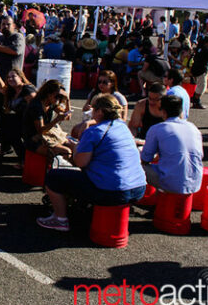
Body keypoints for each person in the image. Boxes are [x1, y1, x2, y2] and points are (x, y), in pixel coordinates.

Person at [37, 94, 146, 232]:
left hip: (113, 192)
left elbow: (80, 162)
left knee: (53, 177)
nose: (92, 112)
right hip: (139, 188)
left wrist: (75, 148)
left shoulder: (95, 131)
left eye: (94, 109)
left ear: (100, 111)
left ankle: (60, 219)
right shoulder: (123, 128)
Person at [141, 95, 204, 194]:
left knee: (136, 166)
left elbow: (145, 158)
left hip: (171, 183)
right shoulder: (193, 128)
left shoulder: (157, 129)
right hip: (196, 182)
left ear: (163, 111)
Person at [22, 79, 77, 158]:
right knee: (66, 152)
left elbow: (68, 117)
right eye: (57, 96)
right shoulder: (36, 106)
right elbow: (41, 129)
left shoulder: (51, 103)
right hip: (34, 139)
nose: (58, 99)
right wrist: (56, 120)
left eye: (60, 97)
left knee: (74, 147)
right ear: (48, 94)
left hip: (47, 136)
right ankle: (56, 169)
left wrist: (67, 99)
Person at [71, 70, 128, 138]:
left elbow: (123, 119)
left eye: (105, 82)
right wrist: (88, 108)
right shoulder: (94, 93)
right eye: (99, 82)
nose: (101, 84)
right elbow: (84, 109)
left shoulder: (119, 97)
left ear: (112, 83)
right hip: (93, 120)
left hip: (109, 123)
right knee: (75, 130)